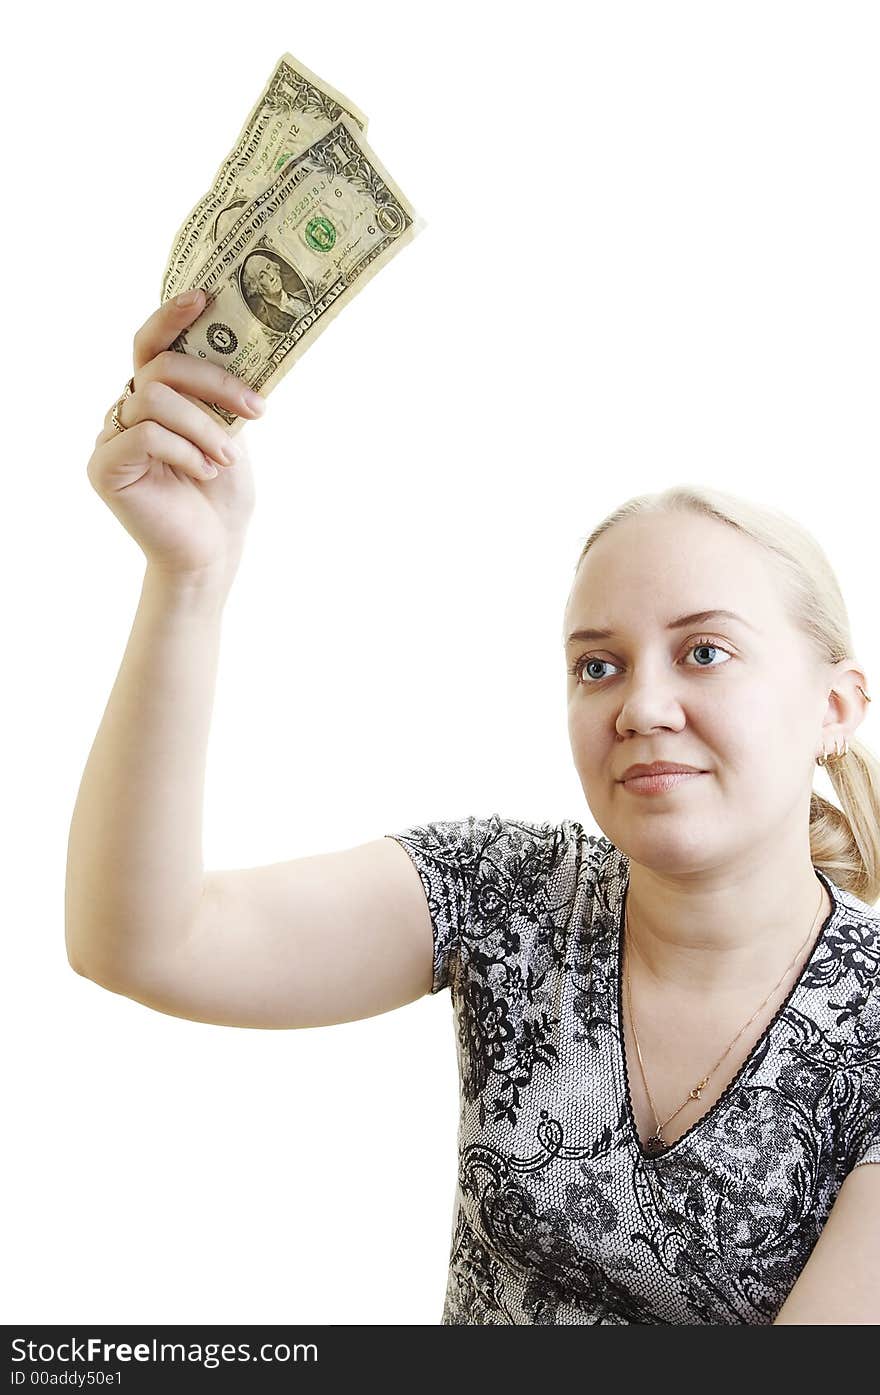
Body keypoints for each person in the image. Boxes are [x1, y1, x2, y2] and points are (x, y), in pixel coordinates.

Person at [66, 292, 880, 1326]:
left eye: (705, 652)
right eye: (597, 665)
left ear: (834, 706)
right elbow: (142, 942)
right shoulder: (508, 894)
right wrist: (188, 576)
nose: (641, 705)